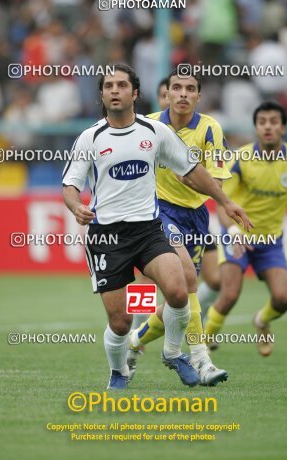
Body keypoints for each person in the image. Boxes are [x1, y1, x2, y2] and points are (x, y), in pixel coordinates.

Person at [62, 64, 252, 389]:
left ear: (135, 92)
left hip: (154, 226)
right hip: (112, 235)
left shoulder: (159, 132)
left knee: (182, 288)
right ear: (102, 94)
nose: (115, 90)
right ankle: (123, 364)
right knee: (121, 320)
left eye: (122, 85)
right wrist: (76, 206)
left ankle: (180, 353)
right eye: (109, 85)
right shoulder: (90, 137)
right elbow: (70, 185)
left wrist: (225, 201)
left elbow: (193, 170)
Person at [128, 69, 237, 386]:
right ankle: (201, 359)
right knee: (180, 277)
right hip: (156, 212)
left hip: (196, 217)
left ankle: (135, 341)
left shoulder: (210, 128)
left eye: (191, 89)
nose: (183, 94)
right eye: (177, 88)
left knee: (178, 296)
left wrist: (190, 176)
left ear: (198, 96)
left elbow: (215, 182)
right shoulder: (148, 125)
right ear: (167, 93)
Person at [204, 101, 287, 356]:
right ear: (255, 128)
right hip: (236, 236)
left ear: (283, 128)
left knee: (284, 300)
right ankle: (203, 344)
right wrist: (233, 232)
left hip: (271, 241)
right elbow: (221, 202)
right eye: (262, 122)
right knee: (229, 294)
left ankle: (261, 321)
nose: (268, 127)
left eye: (273, 122)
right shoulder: (240, 160)